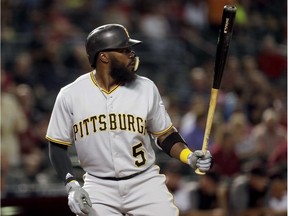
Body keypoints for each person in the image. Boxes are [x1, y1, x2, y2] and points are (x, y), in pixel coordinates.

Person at [46, 24, 213, 216]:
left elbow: (165, 135)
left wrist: (189, 156)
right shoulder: (70, 95)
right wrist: (72, 185)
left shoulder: (146, 88)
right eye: (124, 50)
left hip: (144, 181)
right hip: (99, 186)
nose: (131, 54)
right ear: (104, 56)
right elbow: (57, 145)